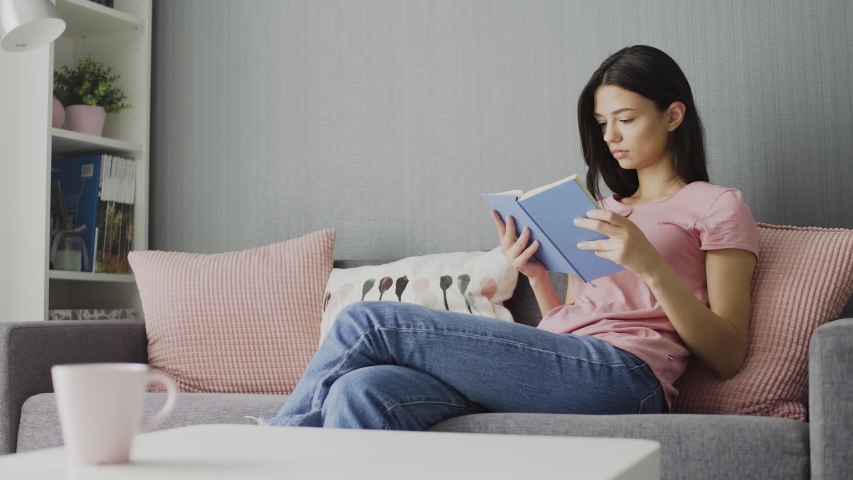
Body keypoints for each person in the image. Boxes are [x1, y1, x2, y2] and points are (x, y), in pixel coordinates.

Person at [258, 45, 759, 430]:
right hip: (563, 364)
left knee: (366, 322)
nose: (610, 137)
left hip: (626, 376)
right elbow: (573, 321)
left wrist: (651, 266)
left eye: (625, 120)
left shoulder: (716, 205)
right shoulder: (602, 209)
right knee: (363, 390)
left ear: (672, 115)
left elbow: (727, 355)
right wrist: (536, 276)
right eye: (602, 123)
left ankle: (277, 449)